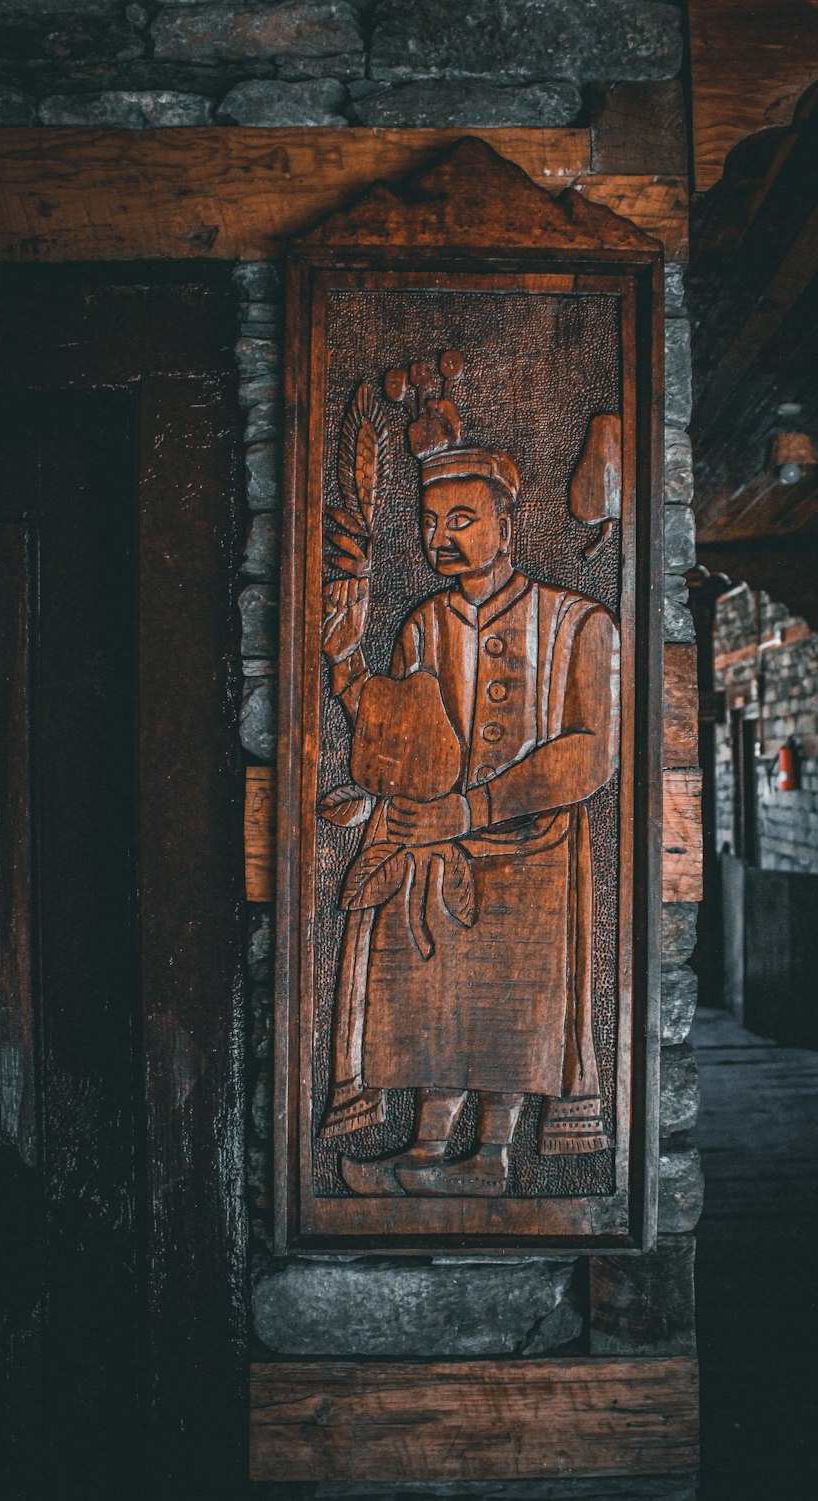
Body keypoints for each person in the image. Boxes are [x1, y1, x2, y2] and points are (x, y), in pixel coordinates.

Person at [319, 401, 620, 1198]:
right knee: (431, 994)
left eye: (461, 518)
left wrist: (476, 808)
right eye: (427, 521)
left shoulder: (580, 622)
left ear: (507, 524)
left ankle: (492, 1154)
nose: (439, 536)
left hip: (533, 849)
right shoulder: (421, 623)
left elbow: (591, 754)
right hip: (434, 848)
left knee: (512, 1000)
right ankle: (424, 1145)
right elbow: (397, 732)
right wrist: (348, 677)